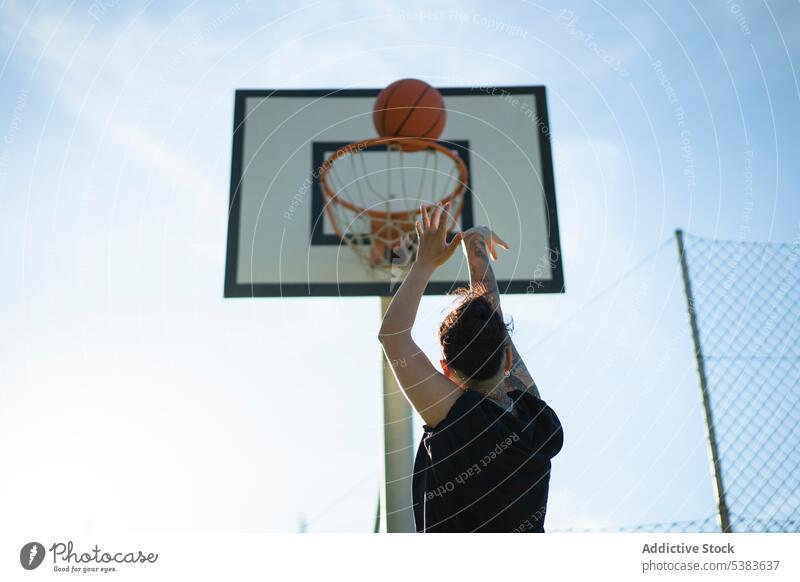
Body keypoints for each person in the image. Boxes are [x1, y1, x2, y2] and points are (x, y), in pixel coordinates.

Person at [378, 202, 564, 532]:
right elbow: (494, 330)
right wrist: (474, 245)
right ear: (507, 360)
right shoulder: (535, 420)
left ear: (445, 369)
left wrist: (424, 263)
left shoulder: (456, 418)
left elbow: (393, 337)